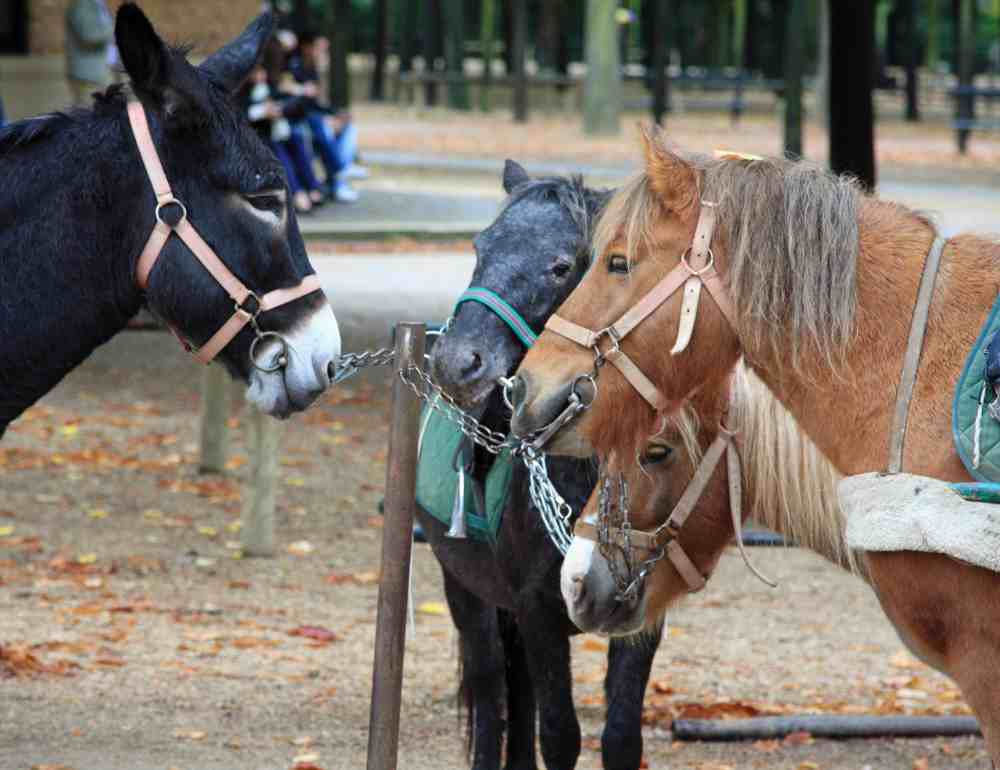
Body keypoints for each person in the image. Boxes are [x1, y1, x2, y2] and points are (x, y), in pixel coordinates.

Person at [239, 41, 326, 215]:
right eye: (256, 72)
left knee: (297, 141)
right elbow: (242, 113)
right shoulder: (242, 93)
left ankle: (312, 186)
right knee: (281, 153)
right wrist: (263, 112)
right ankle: (296, 193)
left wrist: (279, 109)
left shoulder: (268, 88)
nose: (260, 76)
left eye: (261, 71)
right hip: (258, 137)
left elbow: (288, 102)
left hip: (275, 132)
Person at [285, 33, 365, 203]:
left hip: (311, 116)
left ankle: (341, 175)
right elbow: (300, 104)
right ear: (307, 47)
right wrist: (326, 117)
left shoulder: (311, 69)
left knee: (347, 126)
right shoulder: (295, 66)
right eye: (320, 49)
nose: (323, 53)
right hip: (298, 119)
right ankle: (339, 176)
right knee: (323, 127)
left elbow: (314, 104)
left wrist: (335, 113)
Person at [65, 0, 114, 107]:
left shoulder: (97, 3)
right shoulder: (82, 4)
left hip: (99, 73)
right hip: (88, 76)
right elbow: (90, 35)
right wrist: (115, 28)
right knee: (88, 119)